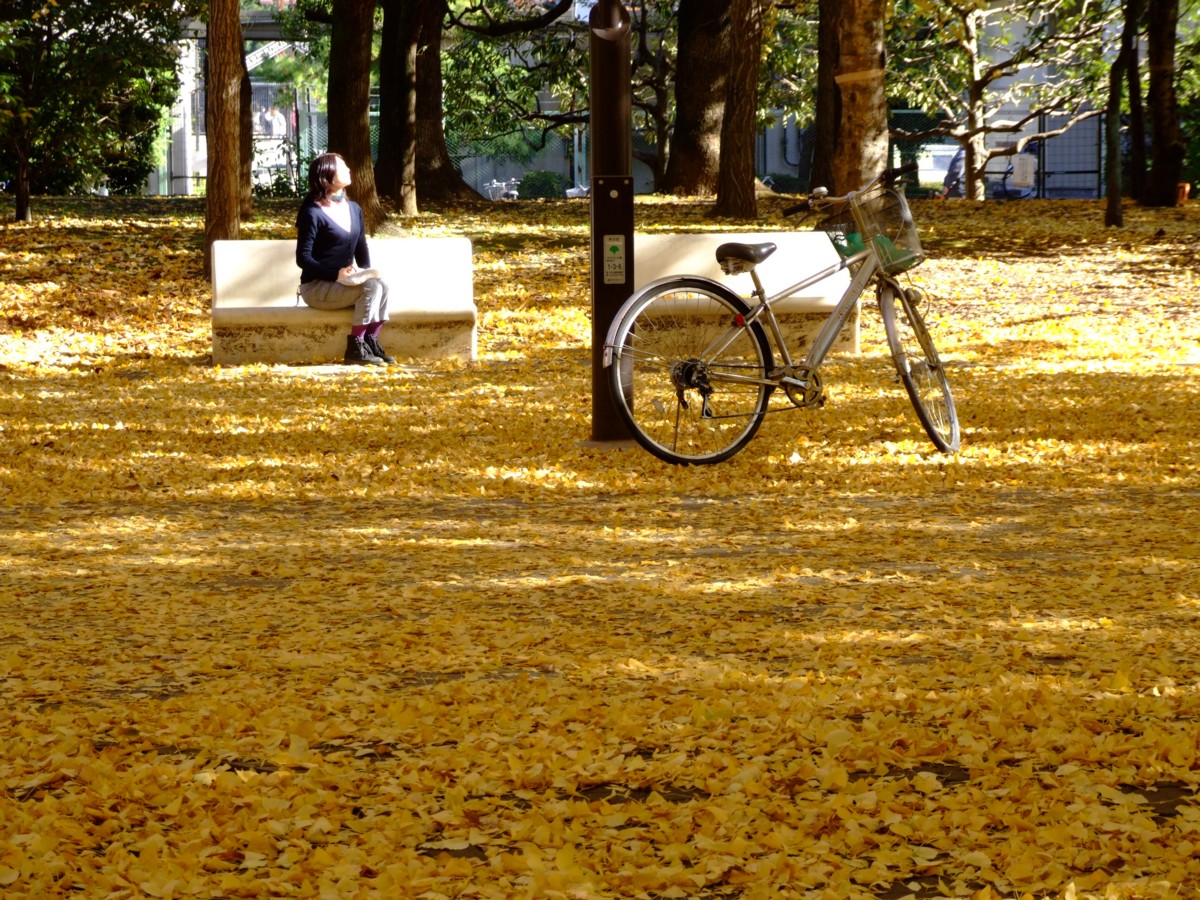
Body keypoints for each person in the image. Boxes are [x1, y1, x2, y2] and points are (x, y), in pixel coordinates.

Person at [296, 152, 393, 366]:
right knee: (371, 288)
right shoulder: (312, 212)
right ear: (327, 175)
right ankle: (355, 348)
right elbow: (303, 258)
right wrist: (335, 274)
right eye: (342, 167)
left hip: (344, 283)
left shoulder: (354, 208)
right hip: (317, 287)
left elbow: (361, 247)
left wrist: (366, 273)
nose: (349, 169)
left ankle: (370, 340)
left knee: (381, 285)